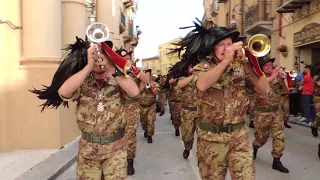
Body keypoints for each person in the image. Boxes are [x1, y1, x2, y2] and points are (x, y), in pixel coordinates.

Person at [168, 20, 270, 179]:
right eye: (221, 44)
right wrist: (225, 61)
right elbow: (202, 85)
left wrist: (249, 66)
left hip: (239, 138)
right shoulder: (202, 67)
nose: (226, 48)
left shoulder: (241, 68)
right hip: (211, 140)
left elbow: (264, 90)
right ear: (212, 48)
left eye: (229, 44)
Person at [30, 37, 139, 179]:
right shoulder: (82, 81)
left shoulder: (119, 79)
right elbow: (64, 92)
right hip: (89, 152)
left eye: (103, 54)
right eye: (95, 54)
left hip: (116, 150)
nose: (99, 58)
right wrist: (88, 67)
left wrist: (112, 67)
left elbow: (134, 92)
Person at [252, 57, 289, 173]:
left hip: (276, 112)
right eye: (266, 65)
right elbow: (257, 88)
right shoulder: (257, 77)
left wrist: (283, 80)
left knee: (280, 136)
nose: (269, 67)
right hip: (262, 113)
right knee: (261, 138)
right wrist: (273, 76)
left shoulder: (277, 77)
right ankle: (255, 146)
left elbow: (286, 92)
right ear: (261, 68)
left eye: (270, 65)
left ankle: (276, 161)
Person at [115, 48, 144, 175]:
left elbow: (147, 81)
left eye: (128, 58)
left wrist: (138, 90)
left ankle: (130, 161)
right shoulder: (114, 72)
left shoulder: (134, 71)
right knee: (117, 135)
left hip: (131, 108)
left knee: (130, 136)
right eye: (124, 58)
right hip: (117, 107)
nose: (126, 60)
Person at [139, 69, 159, 143]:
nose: (147, 76)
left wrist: (152, 87)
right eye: (145, 75)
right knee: (143, 122)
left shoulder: (154, 83)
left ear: (150, 76)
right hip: (142, 106)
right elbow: (137, 92)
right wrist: (144, 85)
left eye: (148, 75)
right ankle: (146, 129)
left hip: (151, 105)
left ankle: (150, 135)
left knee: (150, 121)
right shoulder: (140, 83)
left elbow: (157, 93)